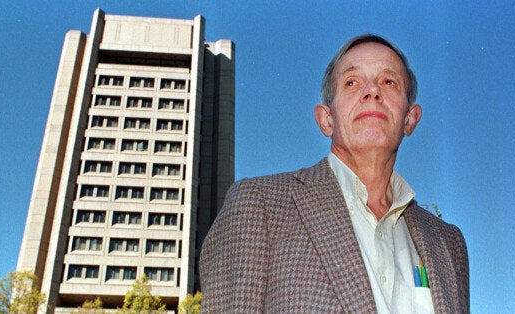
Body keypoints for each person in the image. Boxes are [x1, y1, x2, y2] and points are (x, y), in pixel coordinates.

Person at [199, 34, 469, 313]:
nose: (372, 91)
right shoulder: (259, 206)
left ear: (410, 119)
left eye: (389, 82)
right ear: (326, 120)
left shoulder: (449, 243)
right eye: (352, 82)